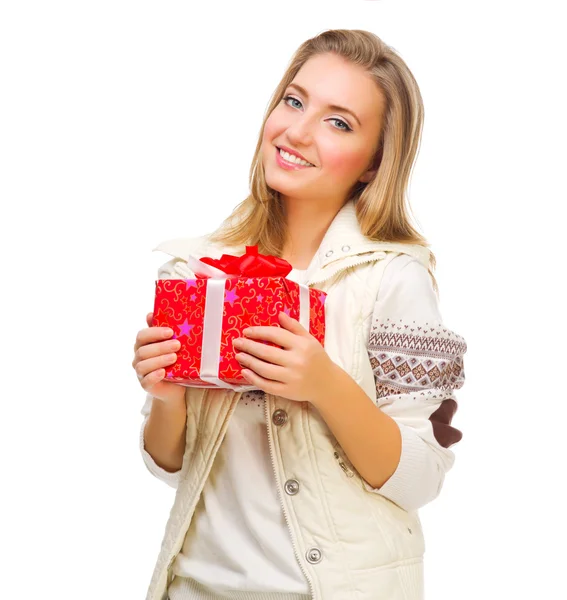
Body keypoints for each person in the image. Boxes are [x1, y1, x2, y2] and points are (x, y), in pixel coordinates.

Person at [133, 29, 468, 600]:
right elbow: (170, 467)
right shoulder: (200, 271)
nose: (296, 131)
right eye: (294, 101)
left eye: (338, 122)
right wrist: (166, 398)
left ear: (373, 163)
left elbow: (421, 479)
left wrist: (324, 385)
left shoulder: (394, 281)